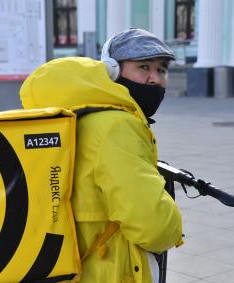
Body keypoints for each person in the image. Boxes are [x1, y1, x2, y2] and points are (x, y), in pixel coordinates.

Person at [20, 28, 183, 283]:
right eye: (143, 67)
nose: (155, 78)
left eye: (161, 70)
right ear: (112, 71)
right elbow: (154, 227)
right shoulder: (117, 126)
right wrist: (173, 222)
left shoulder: (77, 115)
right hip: (108, 270)